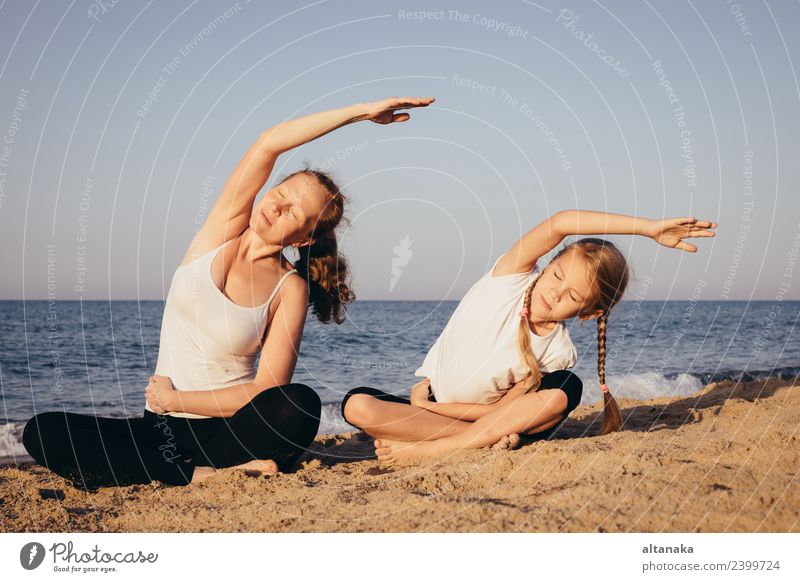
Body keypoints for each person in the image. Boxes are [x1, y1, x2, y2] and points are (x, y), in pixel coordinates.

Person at [22, 96, 436, 489]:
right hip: (158, 427)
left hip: (229, 431)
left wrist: (174, 398)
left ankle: (170, 471)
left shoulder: (288, 288)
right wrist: (361, 113)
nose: (276, 206)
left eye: (294, 211)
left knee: (299, 404)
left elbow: (264, 390)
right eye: (281, 194)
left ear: (305, 238)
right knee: (43, 431)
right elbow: (268, 143)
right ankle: (195, 474)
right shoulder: (218, 235)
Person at [341, 210, 717, 464]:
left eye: (572, 296)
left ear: (588, 313)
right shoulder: (507, 278)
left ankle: (435, 448)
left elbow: (497, 411)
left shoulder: (557, 352)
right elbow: (562, 222)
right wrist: (648, 228)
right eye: (557, 276)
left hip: (449, 414)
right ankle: (482, 440)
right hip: (456, 416)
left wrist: (428, 409)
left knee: (564, 389)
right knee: (356, 405)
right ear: (548, 263)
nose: (554, 293)